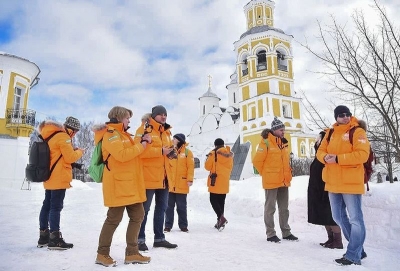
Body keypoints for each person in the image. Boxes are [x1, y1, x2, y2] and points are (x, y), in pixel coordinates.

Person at [94, 106, 152, 267]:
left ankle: (132, 253)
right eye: (127, 118)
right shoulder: (111, 135)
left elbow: (135, 154)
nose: (129, 121)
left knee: (138, 214)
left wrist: (143, 142)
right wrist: (141, 145)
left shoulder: (125, 135)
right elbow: (121, 155)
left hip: (130, 185)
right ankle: (102, 254)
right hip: (118, 185)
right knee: (113, 219)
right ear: (119, 118)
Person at [316, 105, 370, 266]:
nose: (345, 117)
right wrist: (325, 158)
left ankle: (353, 254)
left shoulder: (357, 131)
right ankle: (358, 248)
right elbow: (320, 151)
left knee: (355, 219)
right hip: (333, 182)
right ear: (336, 118)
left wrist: (338, 159)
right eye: (341, 115)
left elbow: (362, 154)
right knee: (337, 217)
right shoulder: (330, 133)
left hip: (351, 182)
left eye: (347, 114)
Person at [134, 105, 178, 251]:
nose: (163, 117)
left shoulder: (166, 132)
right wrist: (161, 151)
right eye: (160, 114)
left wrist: (172, 152)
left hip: (164, 178)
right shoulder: (143, 130)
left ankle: (159, 238)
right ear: (153, 116)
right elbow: (139, 151)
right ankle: (139, 240)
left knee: (162, 208)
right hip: (149, 177)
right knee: (144, 210)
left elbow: (167, 151)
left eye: (165, 114)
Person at [37, 116, 84, 250]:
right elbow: (69, 157)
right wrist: (79, 151)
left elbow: (58, 156)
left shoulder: (51, 135)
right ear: (69, 128)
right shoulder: (63, 137)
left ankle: (43, 236)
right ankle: (55, 239)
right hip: (59, 177)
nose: (75, 134)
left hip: (49, 176)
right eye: (74, 131)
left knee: (47, 205)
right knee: (55, 207)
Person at [252, 117, 298, 243]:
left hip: (284, 180)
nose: (283, 132)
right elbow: (257, 161)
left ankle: (286, 232)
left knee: (284, 208)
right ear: (275, 130)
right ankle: (270, 233)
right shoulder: (266, 142)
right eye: (281, 130)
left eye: (284, 130)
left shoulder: (284, 143)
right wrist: (266, 173)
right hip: (271, 181)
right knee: (270, 208)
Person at [307, 131, 343, 249]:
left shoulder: (328, 151)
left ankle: (338, 241)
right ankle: (331, 239)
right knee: (323, 214)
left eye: (320, 140)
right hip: (317, 187)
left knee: (330, 214)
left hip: (326, 186)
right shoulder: (319, 154)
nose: (317, 141)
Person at [164, 133, 195, 233]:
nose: (172, 140)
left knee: (181, 207)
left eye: (175, 138)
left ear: (179, 140)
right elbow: (166, 166)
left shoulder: (187, 152)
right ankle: (168, 226)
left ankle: (183, 225)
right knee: (169, 207)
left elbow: (190, 167)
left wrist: (190, 179)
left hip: (182, 183)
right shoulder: (170, 151)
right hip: (170, 184)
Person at [204, 138, 234, 231]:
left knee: (213, 200)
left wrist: (208, 158)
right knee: (221, 201)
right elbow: (231, 167)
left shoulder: (213, 153)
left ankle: (221, 218)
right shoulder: (229, 154)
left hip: (215, 180)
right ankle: (220, 222)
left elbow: (207, 166)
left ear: (215, 145)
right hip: (225, 180)